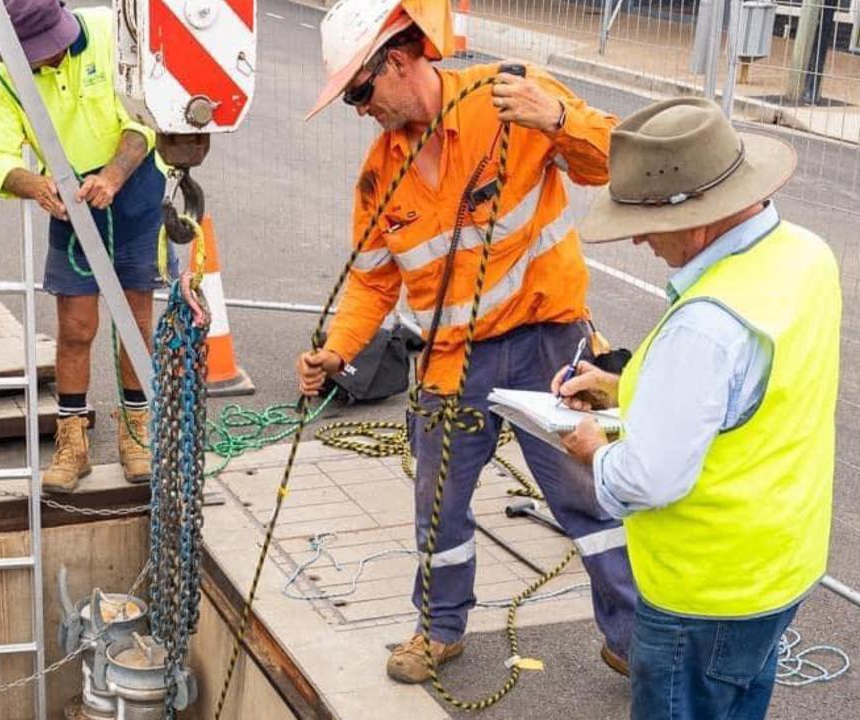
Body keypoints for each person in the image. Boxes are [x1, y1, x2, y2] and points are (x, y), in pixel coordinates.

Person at [297, 0, 636, 682]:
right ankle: (439, 629)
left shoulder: (507, 96)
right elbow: (370, 283)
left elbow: (618, 163)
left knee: (588, 494)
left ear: (396, 61)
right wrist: (337, 350)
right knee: (438, 503)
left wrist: (558, 119)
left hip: (546, 345)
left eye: (359, 93)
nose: (358, 110)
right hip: (451, 362)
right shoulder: (378, 176)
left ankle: (634, 638)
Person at [558, 97, 839, 720]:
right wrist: (622, 391)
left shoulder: (704, 326)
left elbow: (649, 479)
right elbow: (751, 398)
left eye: (643, 218)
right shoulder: (805, 255)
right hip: (777, 568)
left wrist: (594, 451)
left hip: (702, 592)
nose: (634, 235)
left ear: (696, 215)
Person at [0, 0, 171, 493]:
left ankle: (136, 428)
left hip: (135, 188)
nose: (50, 61)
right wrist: (36, 185)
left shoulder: (110, 33)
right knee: (76, 327)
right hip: (68, 199)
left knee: (136, 319)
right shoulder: (6, 71)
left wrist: (112, 175)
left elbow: (144, 116)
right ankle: (72, 438)